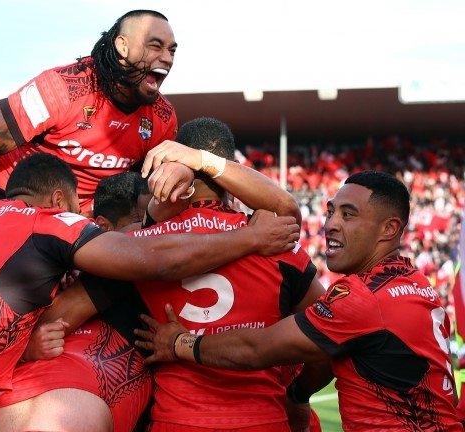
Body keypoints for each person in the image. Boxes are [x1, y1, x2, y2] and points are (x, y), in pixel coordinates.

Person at [0, 152, 300, 431]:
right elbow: (150, 259)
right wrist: (249, 237)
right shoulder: (48, 223)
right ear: (60, 203)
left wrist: (27, 343)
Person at [51, 117, 323, 432]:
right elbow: (324, 341)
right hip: (263, 420)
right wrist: (298, 395)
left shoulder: (140, 249)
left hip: (177, 420)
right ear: (233, 170)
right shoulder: (277, 241)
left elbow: (63, 316)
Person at [138, 170, 464, 432]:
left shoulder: (364, 298)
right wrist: (296, 394)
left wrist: (180, 342)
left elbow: (258, 350)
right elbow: (320, 355)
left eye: (348, 215)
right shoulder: (418, 284)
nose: (331, 224)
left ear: (390, 228)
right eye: (332, 211)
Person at [0, 9, 184, 247]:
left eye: (172, 50)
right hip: (5, 189)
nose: (168, 58)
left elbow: (144, 190)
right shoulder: (60, 87)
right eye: (155, 46)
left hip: (76, 217)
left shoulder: (162, 118)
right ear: (123, 47)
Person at [0, 172, 153, 432]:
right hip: (44, 394)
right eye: (139, 222)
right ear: (104, 226)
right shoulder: (57, 249)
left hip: (47, 398)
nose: (147, 231)